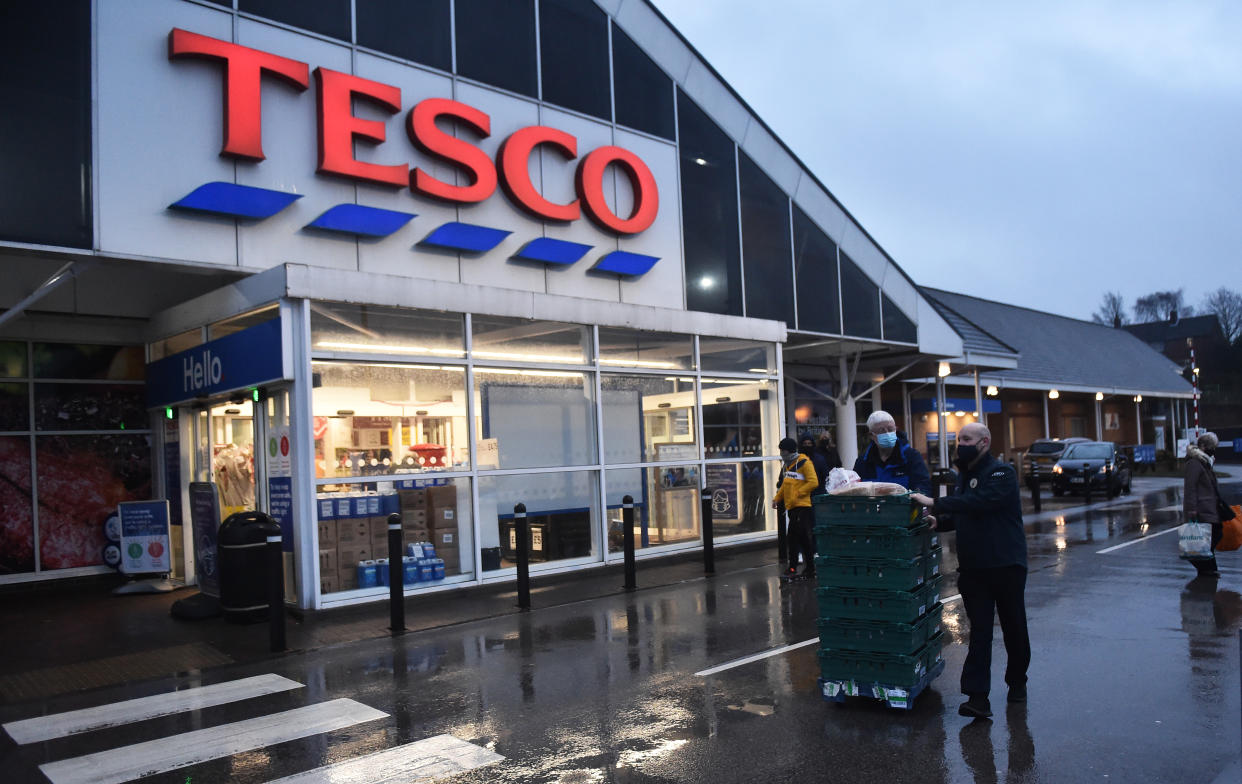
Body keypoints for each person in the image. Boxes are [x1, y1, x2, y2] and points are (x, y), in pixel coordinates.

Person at [910, 422, 1029, 720]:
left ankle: (1017, 682)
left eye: (966, 439)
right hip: (975, 568)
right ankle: (977, 698)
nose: (960, 443)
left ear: (984, 442)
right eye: (958, 438)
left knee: (1014, 627)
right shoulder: (964, 476)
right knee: (980, 632)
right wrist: (942, 522)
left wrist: (936, 503)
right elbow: (967, 513)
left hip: (1006, 565)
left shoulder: (1002, 473)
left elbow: (983, 503)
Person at [853, 410, 932, 494]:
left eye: (890, 429)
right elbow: (854, 489)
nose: (887, 433)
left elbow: (924, 487)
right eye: (881, 431)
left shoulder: (911, 457)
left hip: (903, 506)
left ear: (896, 430)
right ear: (871, 435)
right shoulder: (863, 462)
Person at [773, 436, 818, 579]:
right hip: (792, 507)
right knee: (804, 538)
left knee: (792, 537)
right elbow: (785, 485)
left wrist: (798, 492)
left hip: (802, 506)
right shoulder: (787, 465)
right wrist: (777, 499)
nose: (781, 454)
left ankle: (792, 568)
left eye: (783, 451)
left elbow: (813, 482)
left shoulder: (804, 463)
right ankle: (810, 568)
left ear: (789, 451)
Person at [1184, 432, 1228, 577]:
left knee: (1214, 535)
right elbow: (1190, 488)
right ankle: (1206, 568)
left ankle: (1207, 568)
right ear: (1202, 446)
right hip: (1202, 509)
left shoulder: (1205, 461)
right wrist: (1191, 510)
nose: (1212, 449)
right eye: (1210, 446)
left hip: (1211, 507)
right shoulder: (1195, 463)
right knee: (1210, 536)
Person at [798, 433, 829, 497]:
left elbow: (825, 476)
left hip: (817, 494)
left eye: (809, 443)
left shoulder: (819, 459)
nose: (807, 446)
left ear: (812, 444)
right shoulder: (797, 460)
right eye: (805, 444)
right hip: (801, 495)